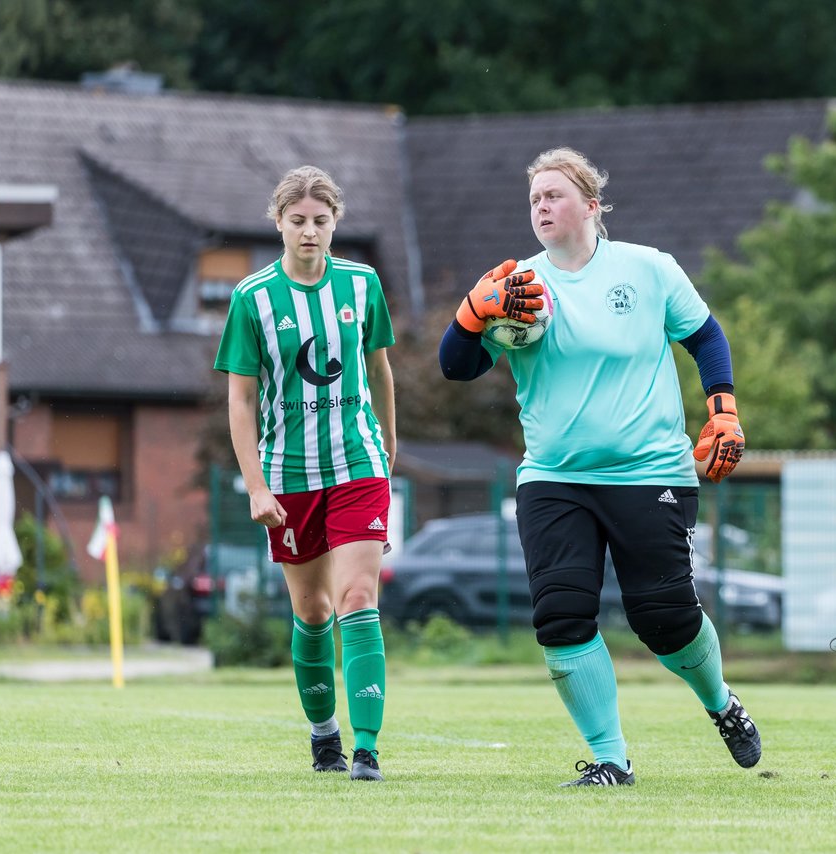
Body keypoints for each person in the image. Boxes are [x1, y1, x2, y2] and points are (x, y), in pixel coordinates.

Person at [438, 146, 759, 787]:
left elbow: (706, 336)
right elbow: (458, 366)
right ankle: (611, 760)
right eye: (533, 199)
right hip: (555, 477)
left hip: (651, 472)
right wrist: (471, 316)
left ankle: (721, 703)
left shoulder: (648, 270)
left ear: (591, 204)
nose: (541, 207)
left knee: (663, 620)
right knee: (561, 614)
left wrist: (722, 409)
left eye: (554, 195)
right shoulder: (518, 287)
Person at [214, 165, 396, 782]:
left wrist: (389, 442)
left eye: (321, 221)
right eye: (298, 221)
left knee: (357, 598)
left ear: (335, 223)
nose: (310, 232)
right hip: (288, 477)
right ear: (279, 224)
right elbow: (240, 401)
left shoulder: (364, 284)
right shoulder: (251, 298)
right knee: (314, 611)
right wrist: (255, 485)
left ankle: (367, 748)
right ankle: (325, 735)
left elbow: (381, 369)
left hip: (358, 464)